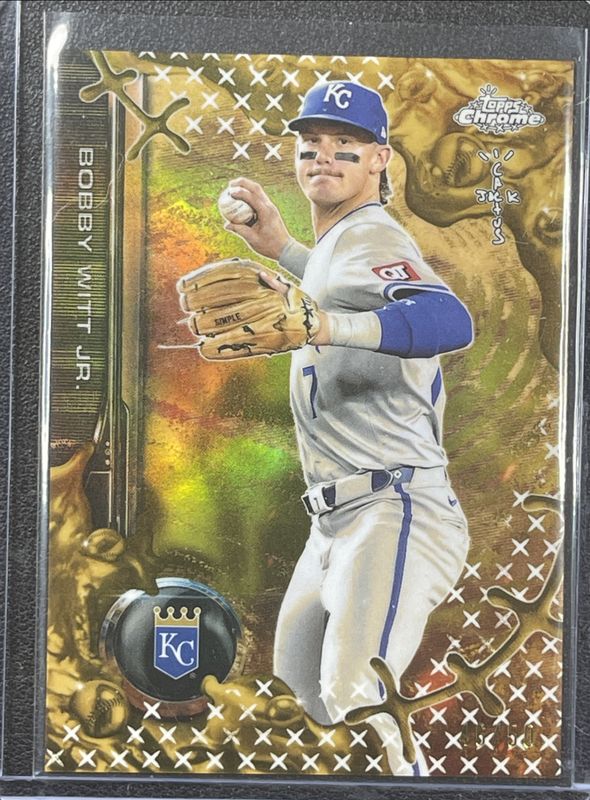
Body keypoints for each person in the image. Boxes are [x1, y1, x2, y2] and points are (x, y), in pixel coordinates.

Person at [222, 80, 473, 776]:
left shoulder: (373, 232)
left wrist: (326, 326)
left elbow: (449, 320)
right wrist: (281, 247)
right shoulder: (341, 245)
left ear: (379, 160)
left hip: (395, 509)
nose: (324, 157)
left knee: (356, 701)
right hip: (334, 522)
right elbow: (340, 287)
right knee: (297, 711)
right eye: (311, 146)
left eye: (345, 145)